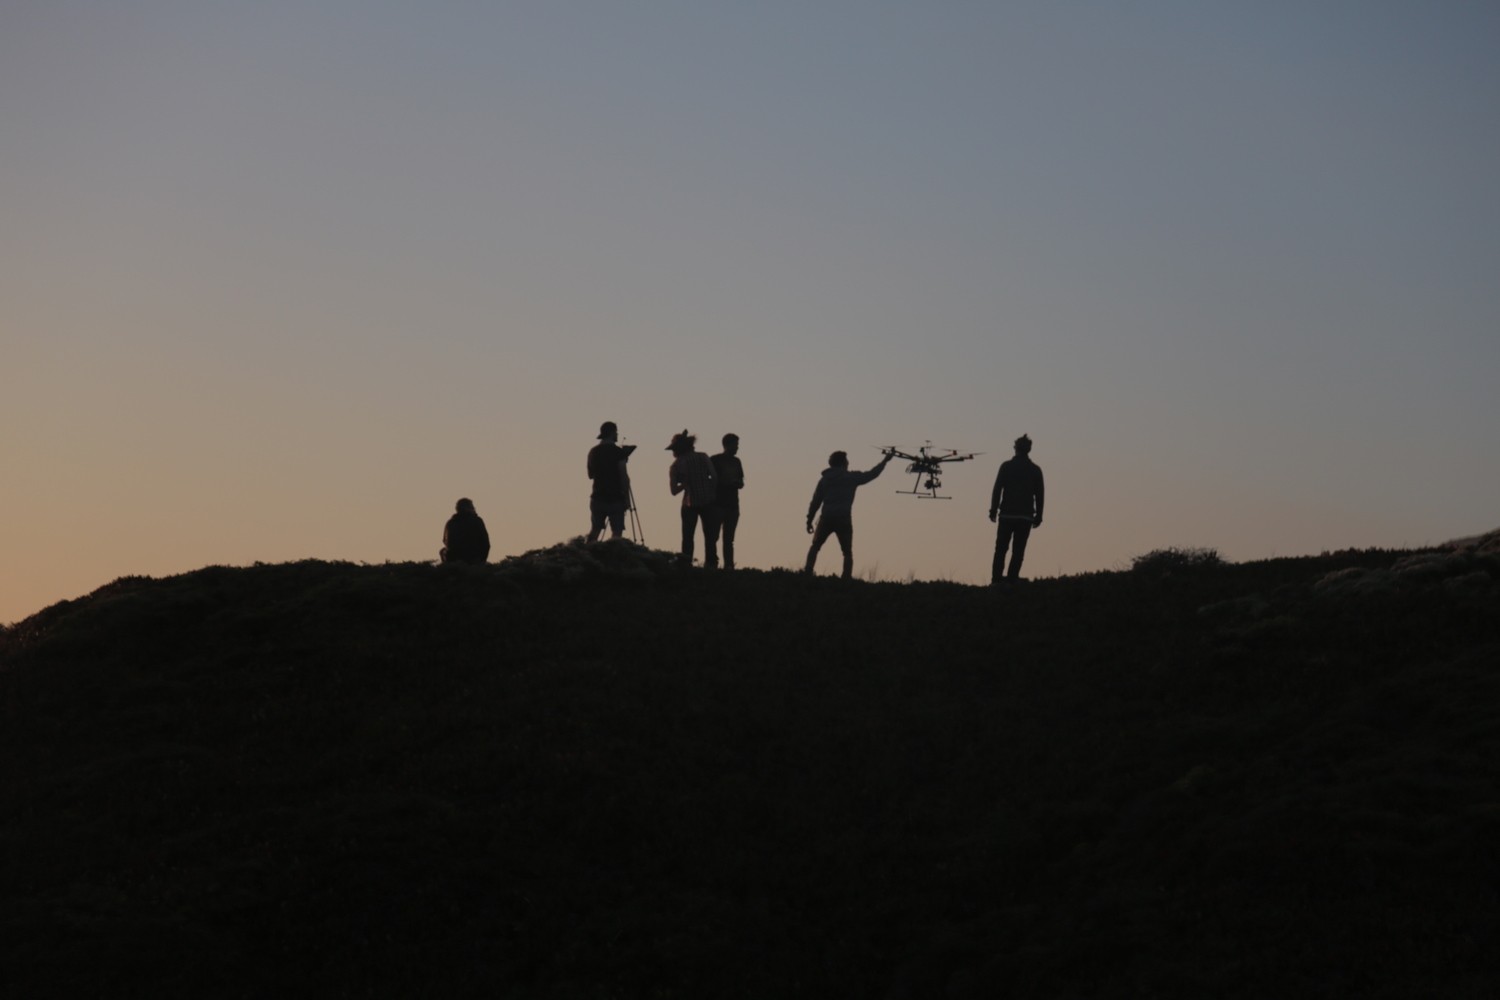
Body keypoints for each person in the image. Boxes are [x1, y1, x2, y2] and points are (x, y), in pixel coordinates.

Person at [804, 449, 893, 579]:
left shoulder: (824, 480)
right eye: (846, 461)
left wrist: (809, 520)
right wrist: (885, 461)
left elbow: (815, 501)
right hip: (843, 518)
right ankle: (846, 577)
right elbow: (872, 474)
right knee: (847, 552)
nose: (848, 463)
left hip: (826, 517)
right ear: (843, 463)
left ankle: (807, 571)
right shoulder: (851, 477)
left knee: (815, 546)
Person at [989, 434, 1045, 583]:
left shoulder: (1006, 466)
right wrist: (1039, 515)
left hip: (1006, 515)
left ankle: (996, 580)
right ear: (1029, 449)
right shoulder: (1035, 470)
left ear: (1015, 448)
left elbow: (997, 489)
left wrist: (993, 509)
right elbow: (1040, 495)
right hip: (1025, 517)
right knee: (1018, 551)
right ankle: (1012, 578)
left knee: (1001, 549)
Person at [667, 429, 720, 567]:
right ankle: (711, 564)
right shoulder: (703, 457)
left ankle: (686, 563)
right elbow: (714, 476)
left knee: (688, 537)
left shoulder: (676, 465)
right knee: (710, 536)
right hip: (708, 501)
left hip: (689, 503)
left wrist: (684, 484)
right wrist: (711, 491)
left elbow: (673, 491)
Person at [587, 421, 637, 542]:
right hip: (615, 498)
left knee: (595, 529)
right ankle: (613, 552)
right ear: (612, 432)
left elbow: (590, 475)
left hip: (597, 497)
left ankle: (587, 550)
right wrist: (626, 499)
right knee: (617, 533)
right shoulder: (618, 452)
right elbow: (624, 477)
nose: (617, 435)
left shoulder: (593, 451)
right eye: (616, 432)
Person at [710, 433, 745, 570]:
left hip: (732, 505)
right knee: (713, 537)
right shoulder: (715, 460)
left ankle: (729, 565)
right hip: (717, 504)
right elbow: (710, 479)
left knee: (729, 539)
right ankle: (712, 563)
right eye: (735, 445)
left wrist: (738, 483)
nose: (737, 448)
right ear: (727, 445)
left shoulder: (737, 462)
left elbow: (741, 480)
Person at [440, 497, 490, 564]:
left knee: (442, 551)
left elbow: (445, 541)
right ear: (468, 508)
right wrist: (482, 560)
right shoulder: (477, 521)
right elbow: (486, 543)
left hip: (454, 559)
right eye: (472, 507)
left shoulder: (451, 523)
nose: (474, 509)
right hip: (475, 559)